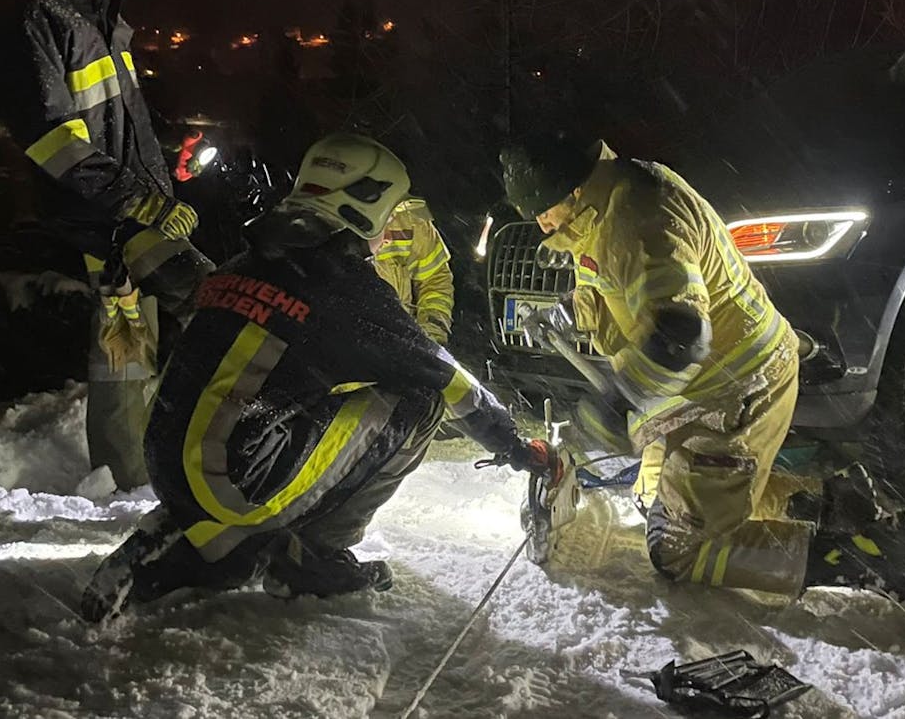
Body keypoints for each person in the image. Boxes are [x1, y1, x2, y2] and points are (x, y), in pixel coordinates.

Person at [82, 134, 554, 621]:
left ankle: (202, 541)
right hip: (233, 477)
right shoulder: (348, 290)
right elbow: (448, 379)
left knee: (245, 535)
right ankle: (314, 559)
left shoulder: (251, 261)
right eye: (389, 215)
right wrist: (517, 447)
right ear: (361, 209)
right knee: (420, 401)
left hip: (168, 460)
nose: (391, 230)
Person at [500, 134, 905, 623]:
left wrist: (619, 402)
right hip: (707, 383)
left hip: (734, 389)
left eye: (543, 210)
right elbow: (615, 286)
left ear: (574, 190)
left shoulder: (637, 219)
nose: (541, 224)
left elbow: (680, 333)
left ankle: (868, 559)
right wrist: (568, 316)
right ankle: (835, 502)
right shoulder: (608, 202)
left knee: (677, 547)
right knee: (653, 495)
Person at [0, 0, 213, 488]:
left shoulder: (96, 20)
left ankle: (144, 466)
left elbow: (117, 123)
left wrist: (163, 171)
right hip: (99, 219)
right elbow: (49, 136)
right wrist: (134, 200)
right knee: (184, 317)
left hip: (125, 211)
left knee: (146, 341)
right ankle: (127, 480)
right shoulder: (39, 23)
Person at [370, 197, 455, 345]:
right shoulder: (326, 216)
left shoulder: (411, 218)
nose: (387, 238)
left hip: (404, 346)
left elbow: (435, 279)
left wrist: (431, 336)